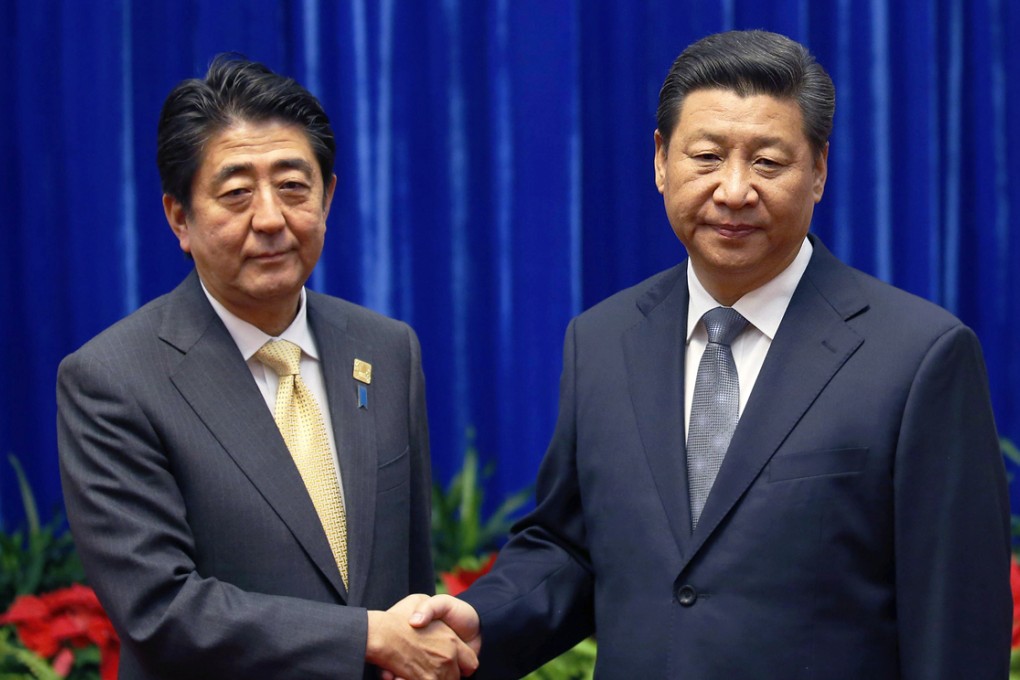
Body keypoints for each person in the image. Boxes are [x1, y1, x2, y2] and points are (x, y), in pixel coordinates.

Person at [407, 30, 1012, 678]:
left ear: (819, 171)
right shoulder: (603, 340)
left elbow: (955, 623)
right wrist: (479, 624)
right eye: (706, 156)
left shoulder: (919, 356)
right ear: (662, 161)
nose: (733, 190)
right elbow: (573, 548)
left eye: (768, 162)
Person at [57, 55, 477, 680]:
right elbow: (160, 609)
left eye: (292, 186)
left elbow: (410, 579)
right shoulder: (112, 379)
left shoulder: (387, 350)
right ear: (180, 217)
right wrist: (365, 636)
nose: (271, 219)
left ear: (328, 198)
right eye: (235, 194)